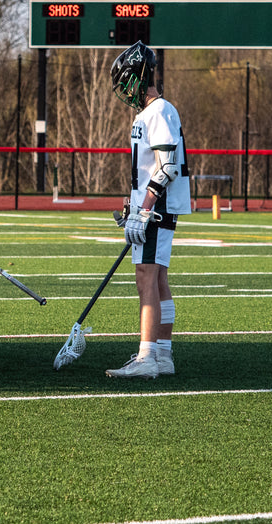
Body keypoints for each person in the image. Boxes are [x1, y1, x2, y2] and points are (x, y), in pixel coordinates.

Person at [105, 40, 190, 379]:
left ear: (139, 76)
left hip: (156, 210)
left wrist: (144, 208)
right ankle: (163, 356)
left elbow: (167, 166)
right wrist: (134, 201)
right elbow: (148, 167)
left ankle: (147, 357)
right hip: (151, 207)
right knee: (158, 280)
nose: (123, 89)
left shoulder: (160, 110)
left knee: (146, 279)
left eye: (126, 80)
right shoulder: (148, 113)